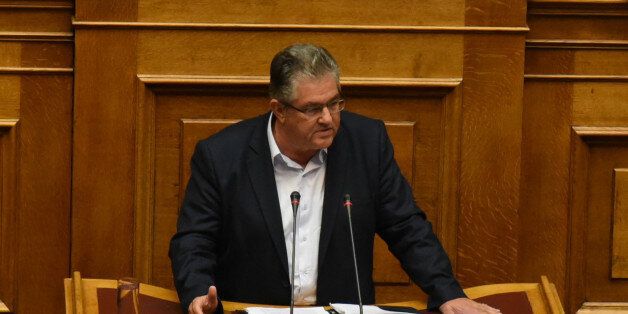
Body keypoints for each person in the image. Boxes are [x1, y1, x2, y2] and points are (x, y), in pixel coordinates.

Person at [169, 44, 500, 314]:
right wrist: (198, 293)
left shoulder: (367, 143)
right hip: (254, 309)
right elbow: (193, 240)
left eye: (335, 103)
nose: (328, 118)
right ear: (279, 109)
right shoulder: (222, 156)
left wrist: (447, 293)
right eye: (313, 108)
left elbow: (406, 227)